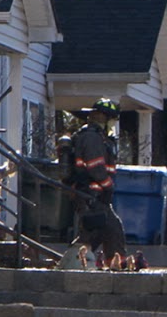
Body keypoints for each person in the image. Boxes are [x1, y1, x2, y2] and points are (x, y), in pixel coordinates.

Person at [68, 98, 128, 264]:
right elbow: (95, 167)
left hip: (95, 195)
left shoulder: (97, 137)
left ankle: (116, 267)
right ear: (105, 118)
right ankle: (73, 265)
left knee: (110, 230)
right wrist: (108, 187)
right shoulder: (91, 138)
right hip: (90, 194)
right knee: (94, 232)